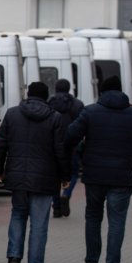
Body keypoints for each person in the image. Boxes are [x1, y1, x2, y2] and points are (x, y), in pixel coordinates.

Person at [65, 76, 132, 263]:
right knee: (117, 221)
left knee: (93, 218)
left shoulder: (90, 111)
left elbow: (70, 136)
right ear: (121, 91)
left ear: (101, 92)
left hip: (94, 175)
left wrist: (80, 154)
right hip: (121, 176)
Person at [0, 82, 70, 263]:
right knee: (39, 222)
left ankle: (14, 256)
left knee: (18, 214)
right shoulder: (55, 118)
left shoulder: (12, 114)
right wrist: (65, 176)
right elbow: (60, 150)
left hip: (17, 175)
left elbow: (1, 145)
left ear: (28, 94)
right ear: (45, 97)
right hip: (45, 178)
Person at [48, 79, 85, 218]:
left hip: (53, 145)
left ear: (56, 88)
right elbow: (82, 124)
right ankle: (66, 194)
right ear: (69, 88)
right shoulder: (77, 104)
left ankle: (56, 207)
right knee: (74, 173)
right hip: (72, 144)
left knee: (54, 177)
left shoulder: (49, 103)